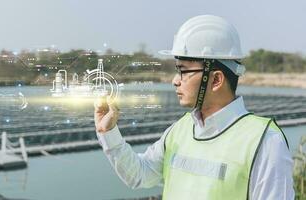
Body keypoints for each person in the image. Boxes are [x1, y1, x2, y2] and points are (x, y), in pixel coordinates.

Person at [94, 15, 294, 200]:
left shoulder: (265, 142)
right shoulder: (180, 130)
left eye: (183, 71)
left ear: (216, 79)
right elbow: (140, 174)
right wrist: (108, 132)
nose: (174, 80)